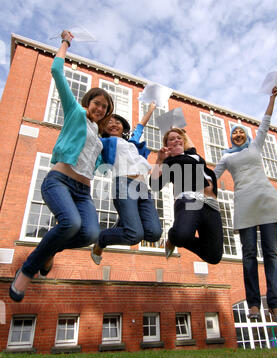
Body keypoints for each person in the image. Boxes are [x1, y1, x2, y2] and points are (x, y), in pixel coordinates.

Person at [9, 30, 115, 302]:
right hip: (59, 182)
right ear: (88, 103)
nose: (100, 109)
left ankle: (50, 249)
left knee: (90, 232)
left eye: (105, 107)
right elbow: (57, 70)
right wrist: (66, 42)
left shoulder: (101, 140)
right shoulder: (75, 113)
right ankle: (27, 269)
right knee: (70, 223)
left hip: (83, 192)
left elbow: (101, 169)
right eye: (97, 103)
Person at [214, 87, 277, 325]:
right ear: (231, 139)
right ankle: (254, 304)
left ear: (247, 135)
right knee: (249, 254)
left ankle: (276, 305)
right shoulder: (226, 157)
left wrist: (272, 99)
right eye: (234, 133)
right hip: (245, 204)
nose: (237, 134)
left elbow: (265, 123)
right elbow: (211, 178)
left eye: (240, 132)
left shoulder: (255, 146)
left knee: (271, 253)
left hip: (266, 201)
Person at [91, 102, 162, 264]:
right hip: (123, 185)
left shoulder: (132, 143)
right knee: (134, 235)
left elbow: (140, 127)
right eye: (109, 122)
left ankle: (122, 222)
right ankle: (101, 239)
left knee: (154, 233)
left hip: (143, 188)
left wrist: (150, 109)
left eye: (118, 122)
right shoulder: (103, 142)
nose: (114, 123)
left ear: (123, 127)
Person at [150, 128, 223, 264]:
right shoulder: (170, 162)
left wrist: (180, 131)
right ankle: (173, 238)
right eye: (171, 139)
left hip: (212, 205)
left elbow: (187, 140)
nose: (176, 140)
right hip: (189, 200)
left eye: (179, 138)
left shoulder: (194, 155)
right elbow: (154, 185)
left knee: (214, 256)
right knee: (181, 236)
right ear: (167, 146)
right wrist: (159, 160)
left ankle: (178, 237)